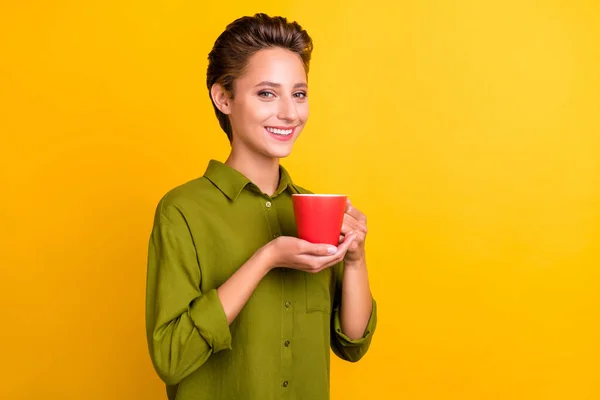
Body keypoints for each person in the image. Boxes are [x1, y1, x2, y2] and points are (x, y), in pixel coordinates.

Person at [145, 13, 377, 400]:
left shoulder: (311, 209)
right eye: (267, 93)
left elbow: (353, 343)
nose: (289, 113)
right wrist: (267, 258)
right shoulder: (181, 211)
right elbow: (171, 357)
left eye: (299, 94)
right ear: (224, 97)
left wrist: (355, 259)